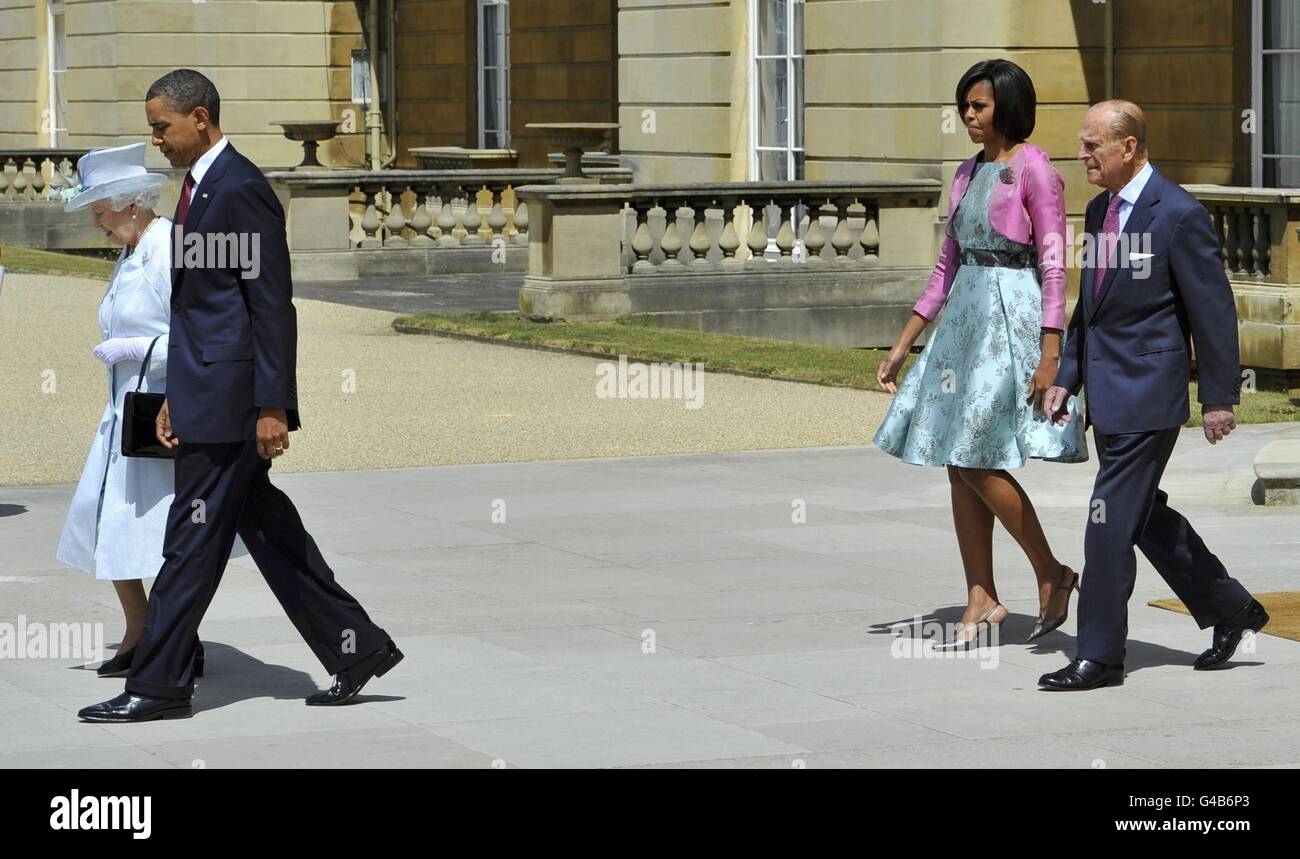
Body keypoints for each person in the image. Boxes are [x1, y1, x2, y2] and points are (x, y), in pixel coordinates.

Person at [78, 69, 401, 723]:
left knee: (187, 548)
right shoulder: (198, 186)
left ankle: (160, 685)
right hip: (206, 397)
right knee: (273, 534)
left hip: (232, 409)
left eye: (162, 126)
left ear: (201, 119)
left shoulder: (241, 188)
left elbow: (269, 305)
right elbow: (202, 309)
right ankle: (357, 647)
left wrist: (272, 404)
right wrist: (175, 395)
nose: (157, 140)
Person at [1037, 100, 1268, 691]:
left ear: (1129, 147)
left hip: (1150, 393)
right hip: (1108, 396)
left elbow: (1212, 312)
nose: (1082, 155)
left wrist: (1219, 397)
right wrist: (1067, 377)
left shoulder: (1180, 215)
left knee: (1106, 521)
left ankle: (1100, 656)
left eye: (1092, 145)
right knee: (1143, 519)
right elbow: (1092, 308)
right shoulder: (1098, 211)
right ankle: (1231, 607)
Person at [873, 59, 1088, 648]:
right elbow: (945, 268)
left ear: (1008, 107)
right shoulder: (966, 173)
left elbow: (1053, 262)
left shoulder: (1035, 168)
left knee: (973, 456)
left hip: (1010, 319)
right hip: (962, 326)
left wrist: (1051, 351)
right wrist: (902, 343)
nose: (968, 115)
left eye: (980, 106)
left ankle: (1051, 571)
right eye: (965, 106)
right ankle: (981, 595)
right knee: (954, 456)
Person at [55, 143, 208, 678]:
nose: (96, 223)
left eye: (100, 212)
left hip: (163, 412)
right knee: (107, 525)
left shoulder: (169, 248)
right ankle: (146, 629)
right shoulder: (130, 250)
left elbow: (200, 337)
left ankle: (168, 638)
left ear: (131, 204)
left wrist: (137, 350)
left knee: (153, 532)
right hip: (125, 410)